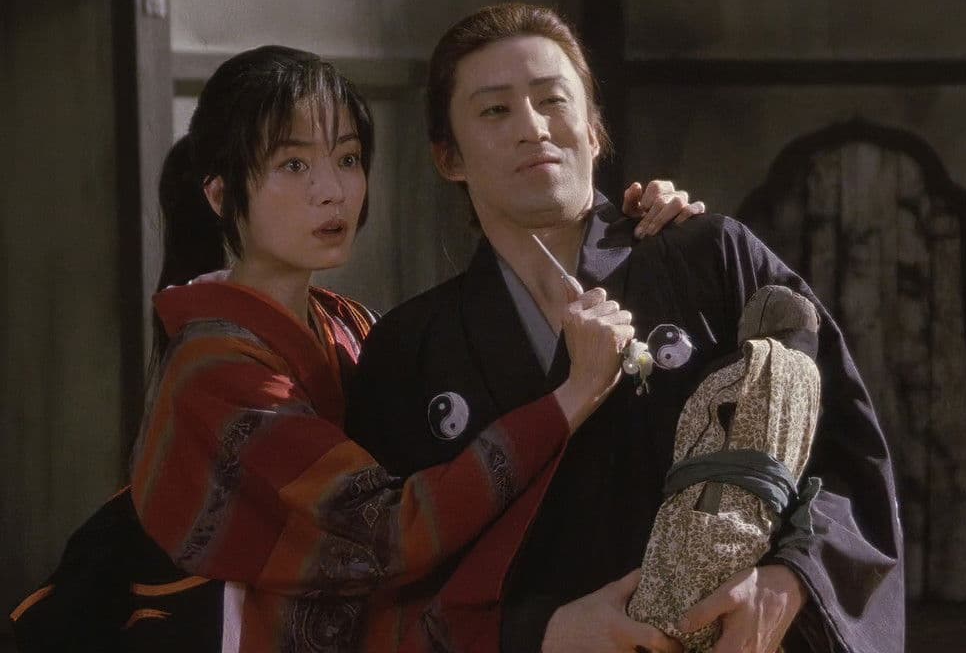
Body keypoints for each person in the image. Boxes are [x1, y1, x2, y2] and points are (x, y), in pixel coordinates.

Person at [10, 45, 701, 652]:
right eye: (293, 164)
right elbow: (386, 532)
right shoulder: (212, 369)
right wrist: (573, 395)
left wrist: (630, 230)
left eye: (346, 159)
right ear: (221, 194)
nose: (332, 191)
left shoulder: (350, 324)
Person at [347, 3, 903, 653]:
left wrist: (788, 582)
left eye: (553, 100)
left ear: (592, 130)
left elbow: (846, 453)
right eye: (494, 110)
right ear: (449, 158)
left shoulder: (712, 259)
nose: (533, 128)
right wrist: (537, 632)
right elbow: (388, 577)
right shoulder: (408, 348)